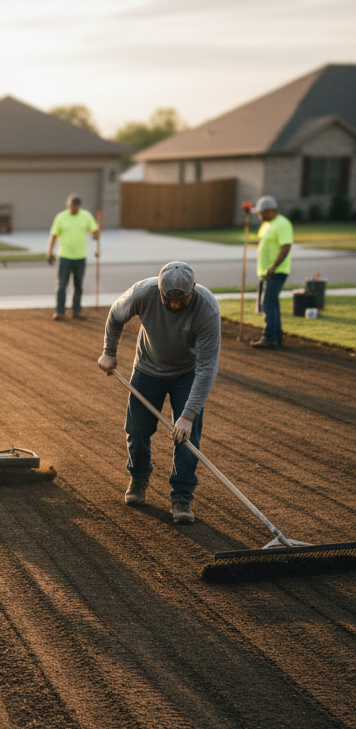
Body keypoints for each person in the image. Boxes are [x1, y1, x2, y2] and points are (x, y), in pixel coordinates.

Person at [97, 261, 221, 525]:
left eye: (182, 299)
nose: (175, 305)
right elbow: (116, 315)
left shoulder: (207, 309)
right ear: (160, 290)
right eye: (168, 299)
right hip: (147, 369)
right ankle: (139, 477)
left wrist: (187, 415)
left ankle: (182, 495)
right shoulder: (143, 292)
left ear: (194, 289)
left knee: (187, 436)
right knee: (137, 430)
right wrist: (109, 351)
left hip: (187, 373)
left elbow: (207, 367)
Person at [46, 194, 99, 320]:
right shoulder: (61, 217)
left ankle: (77, 310)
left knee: (78, 284)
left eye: (76, 206)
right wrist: (49, 252)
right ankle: (59, 311)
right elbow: (53, 235)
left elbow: (94, 231)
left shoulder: (86, 216)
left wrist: (95, 235)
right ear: (68, 205)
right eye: (71, 205)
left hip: (80, 256)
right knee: (62, 284)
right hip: (64, 256)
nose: (73, 208)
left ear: (79, 206)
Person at [250, 195, 293, 349]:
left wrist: (274, 266)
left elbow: (286, 246)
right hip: (266, 272)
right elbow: (261, 243)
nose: (259, 216)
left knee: (269, 304)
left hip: (276, 271)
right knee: (272, 303)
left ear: (269, 211)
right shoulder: (267, 225)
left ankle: (269, 337)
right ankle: (276, 336)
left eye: (260, 213)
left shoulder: (282, 224)